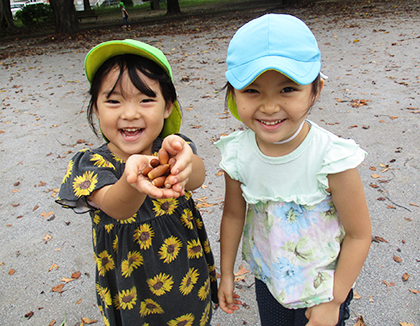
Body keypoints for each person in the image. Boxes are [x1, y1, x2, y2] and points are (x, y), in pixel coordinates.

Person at [215, 14, 372, 326]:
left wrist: (335, 300)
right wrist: (227, 273)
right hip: (268, 281)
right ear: (233, 92)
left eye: (287, 89)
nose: (270, 106)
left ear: (316, 89)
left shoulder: (331, 158)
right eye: (252, 90)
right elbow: (233, 214)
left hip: (323, 290)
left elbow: (359, 234)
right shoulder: (238, 154)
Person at [56, 39, 218, 326]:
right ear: (95, 108)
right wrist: (132, 179)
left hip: (188, 280)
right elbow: (117, 207)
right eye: (114, 100)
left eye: (146, 99)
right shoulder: (91, 165)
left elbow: (198, 177)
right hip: (132, 292)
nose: (130, 113)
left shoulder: (169, 150)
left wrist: (183, 163)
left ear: (168, 106)